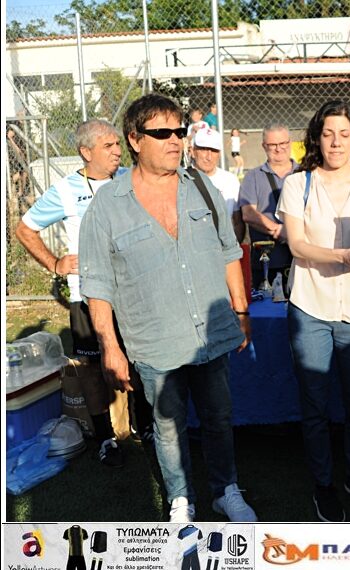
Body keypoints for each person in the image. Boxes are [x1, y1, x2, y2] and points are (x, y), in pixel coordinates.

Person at [79, 93, 257, 523]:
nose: (176, 140)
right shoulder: (107, 205)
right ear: (135, 139)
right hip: (154, 341)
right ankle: (181, 499)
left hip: (210, 333)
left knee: (219, 418)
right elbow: (97, 283)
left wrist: (241, 312)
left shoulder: (202, 186)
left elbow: (229, 252)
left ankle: (225, 490)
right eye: (163, 133)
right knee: (167, 425)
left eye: (180, 131)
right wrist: (109, 347)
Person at [15, 119, 155, 467]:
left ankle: (145, 426)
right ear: (86, 151)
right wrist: (55, 262)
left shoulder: (130, 178)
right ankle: (106, 437)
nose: (117, 151)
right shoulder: (65, 190)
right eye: (108, 146)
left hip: (132, 289)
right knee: (92, 367)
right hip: (88, 294)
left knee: (139, 357)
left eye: (117, 144)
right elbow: (25, 229)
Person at [276, 100, 350, 522]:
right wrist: (341, 255)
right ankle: (323, 484)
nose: (336, 143)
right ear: (317, 139)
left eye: (344, 134)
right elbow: (297, 245)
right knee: (315, 405)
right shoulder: (298, 184)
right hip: (311, 308)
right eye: (328, 134)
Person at [239, 123, 300, 293]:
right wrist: (279, 230)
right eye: (272, 144)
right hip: (267, 263)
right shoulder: (253, 177)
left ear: (290, 143)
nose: (278, 149)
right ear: (264, 146)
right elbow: (248, 214)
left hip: (303, 261)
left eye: (283, 143)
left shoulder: (305, 173)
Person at [191, 127, 245, 243]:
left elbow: (237, 221)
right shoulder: (182, 180)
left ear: (219, 154)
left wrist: (233, 249)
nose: (209, 157)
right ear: (193, 151)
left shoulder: (230, 180)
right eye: (203, 149)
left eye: (214, 150)